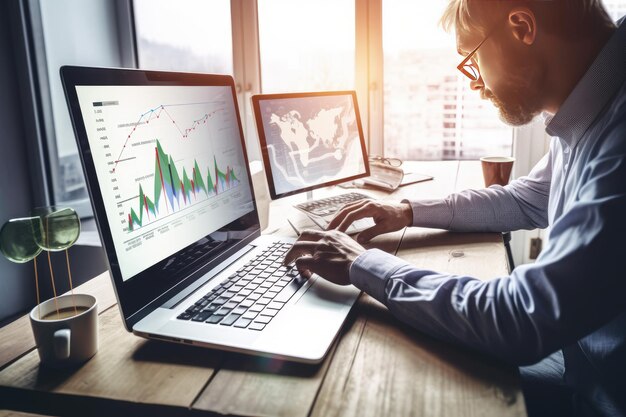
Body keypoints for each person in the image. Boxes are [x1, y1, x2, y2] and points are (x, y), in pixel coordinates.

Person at [283, 1, 626, 416]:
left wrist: (365, 264)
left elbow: (521, 318)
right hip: (580, 365)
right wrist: (407, 211)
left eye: (472, 58)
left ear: (521, 27)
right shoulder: (594, 100)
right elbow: (527, 198)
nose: (475, 83)